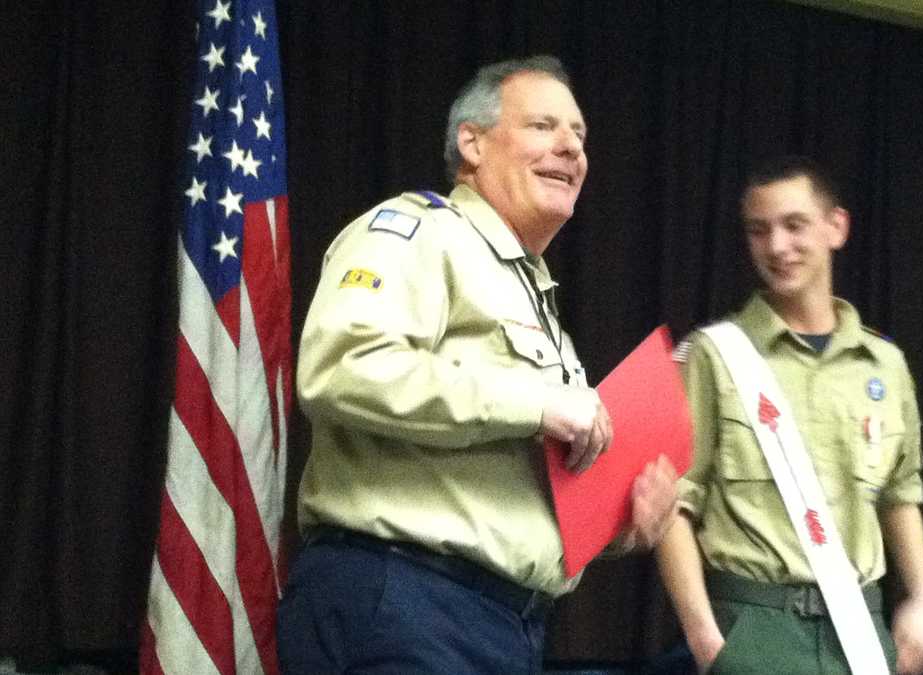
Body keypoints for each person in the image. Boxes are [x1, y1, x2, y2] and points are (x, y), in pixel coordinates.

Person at [277, 55, 678, 674]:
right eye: (544, 126)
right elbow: (341, 368)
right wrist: (536, 403)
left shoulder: (533, 297)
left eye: (580, 136)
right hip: (402, 599)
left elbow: (495, 497)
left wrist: (617, 527)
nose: (570, 148)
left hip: (504, 625)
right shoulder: (419, 232)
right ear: (472, 142)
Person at [656, 155, 923, 674]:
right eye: (759, 231)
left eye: (794, 225)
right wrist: (705, 638)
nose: (777, 247)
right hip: (752, 624)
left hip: (858, 630)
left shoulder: (884, 364)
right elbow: (673, 503)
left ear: (837, 227)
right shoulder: (715, 355)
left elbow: (901, 491)